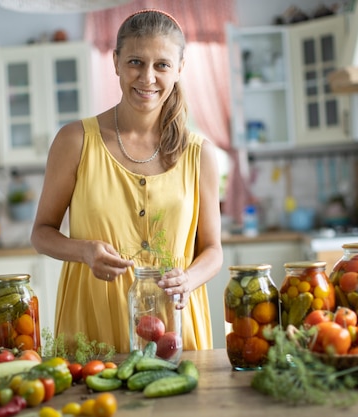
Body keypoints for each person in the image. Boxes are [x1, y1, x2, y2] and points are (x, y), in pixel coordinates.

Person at [30, 8, 223, 353]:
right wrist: (84, 251)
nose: (147, 77)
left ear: (179, 69)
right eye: (136, 62)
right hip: (92, 319)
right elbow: (41, 233)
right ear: (116, 62)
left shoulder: (200, 154)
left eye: (162, 65)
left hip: (174, 324)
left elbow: (212, 250)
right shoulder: (75, 140)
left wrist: (189, 279)